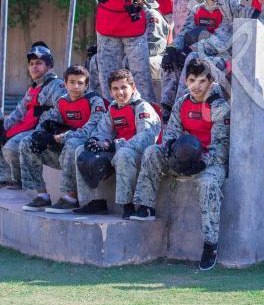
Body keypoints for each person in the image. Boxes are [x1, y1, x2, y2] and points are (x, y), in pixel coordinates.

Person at [132, 58, 229, 270]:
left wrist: (202, 163)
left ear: (210, 81)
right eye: (192, 80)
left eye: (202, 81)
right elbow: (172, 131)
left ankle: (210, 244)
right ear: (186, 81)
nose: (196, 86)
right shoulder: (182, 102)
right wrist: (169, 147)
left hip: (209, 162)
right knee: (152, 152)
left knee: (208, 184)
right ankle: (145, 206)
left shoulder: (218, 106)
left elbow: (221, 145)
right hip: (183, 156)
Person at [73, 68, 161, 217]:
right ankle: (95, 201)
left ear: (133, 87)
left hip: (140, 156)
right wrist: (95, 140)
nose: (120, 92)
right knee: (81, 150)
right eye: (115, 89)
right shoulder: (113, 108)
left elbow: (146, 138)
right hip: (117, 150)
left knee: (123, 154)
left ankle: (128, 206)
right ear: (110, 91)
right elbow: (103, 131)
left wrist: (114, 145)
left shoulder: (142, 107)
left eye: (124, 87)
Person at [20, 65, 107, 212]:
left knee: (72, 143)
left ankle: (71, 198)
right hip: (63, 155)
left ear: (86, 86)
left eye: (80, 83)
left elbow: (89, 132)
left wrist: (56, 138)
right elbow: (47, 120)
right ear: (65, 84)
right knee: (27, 142)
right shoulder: (62, 101)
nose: (75, 86)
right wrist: (40, 134)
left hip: (87, 154)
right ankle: (42, 196)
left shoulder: (95, 101)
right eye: (72, 82)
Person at [160, 0, 232, 114]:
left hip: (221, 58)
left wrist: (190, 50)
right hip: (196, 52)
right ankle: (167, 107)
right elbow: (184, 33)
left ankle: (180, 107)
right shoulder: (197, 9)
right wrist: (172, 48)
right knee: (169, 59)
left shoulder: (228, 11)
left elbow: (220, 42)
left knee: (191, 57)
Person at [0, 43, 66, 188]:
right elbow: (18, 113)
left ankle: (21, 182)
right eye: (31, 64)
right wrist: (3, 127)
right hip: (29, 128)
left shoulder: (57, 85)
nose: (34, 67)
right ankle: (9, 178)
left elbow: (61, 109)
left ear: (49, 65)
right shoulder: (33, 88)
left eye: (39, 63)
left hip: (44, 131)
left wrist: (45, 129)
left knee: (11, 147)